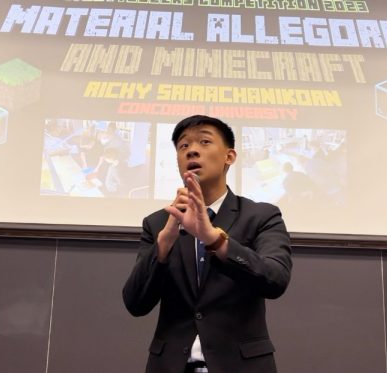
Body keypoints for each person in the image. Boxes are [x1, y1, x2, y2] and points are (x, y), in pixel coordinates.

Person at [123, 115, 293, 373]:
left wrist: (215, 239)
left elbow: (275, 279)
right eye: (183, 146)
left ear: (229, 156)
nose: (192, 150)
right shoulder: (158, 223)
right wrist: (163, 246)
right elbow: (135, 303)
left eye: (204, 141)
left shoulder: (261, 216)